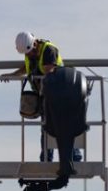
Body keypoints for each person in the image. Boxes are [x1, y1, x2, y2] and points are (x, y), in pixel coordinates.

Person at [9, 32, 82, 164]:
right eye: (26, 53)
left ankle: (74, 157)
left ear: (35, 44)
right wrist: (12, 75)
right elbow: (26, 67)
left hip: (60, 94)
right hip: (47, 97)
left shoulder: (48, 50)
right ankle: (46, 159)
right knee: (47, 127)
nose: (28, 55)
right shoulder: (29, 52)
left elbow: (49, 71)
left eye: (30, 52)